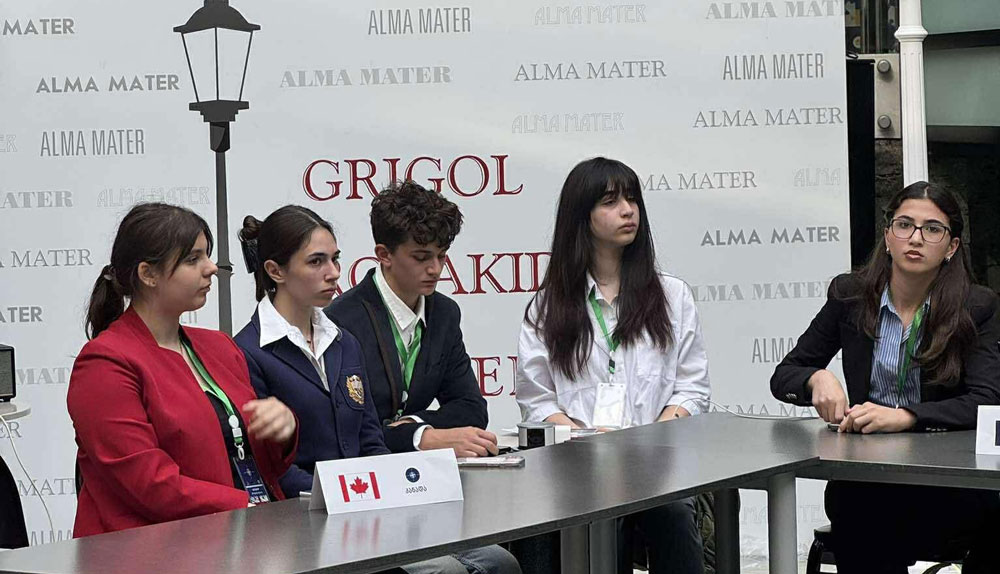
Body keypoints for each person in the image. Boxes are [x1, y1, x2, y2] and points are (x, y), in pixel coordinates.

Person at [771, 181, 1000, 573]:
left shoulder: (976, 306)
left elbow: (986, 400)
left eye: (932, 229)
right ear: (888, 236)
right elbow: (785, 375)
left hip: (951, 486)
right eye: (904, 225)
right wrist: (816, 379)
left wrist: (907, 416)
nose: (916, 238)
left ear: (951, 247)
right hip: (869, 481)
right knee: (859, 508)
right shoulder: (850, 295)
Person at [515, 157, 710, 574]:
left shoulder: (672, 296)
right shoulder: (547, 306)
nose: (627, 210)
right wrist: (589, 441)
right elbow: (536, 402)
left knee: (673, 512)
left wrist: (647, 440)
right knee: (596, 525)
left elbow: (692, 390)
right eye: (610, 202)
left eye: (632, 199)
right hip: (579, 471)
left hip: (657, 466)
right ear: (581, 217)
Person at [68, 203, 298, 537]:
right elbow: (147, 483)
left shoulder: (220, 347)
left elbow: (257, 464)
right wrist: (245, 507)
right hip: (152, 552)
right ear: (148, 274)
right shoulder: (104, 364)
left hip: (243, 539)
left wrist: (283, 431)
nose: (212, 268)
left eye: (207, 255)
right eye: (193, 259)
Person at [326, 182, 521, 574]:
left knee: (503, 564)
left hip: (425, 490)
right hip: (366, 495)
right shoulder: (340, 322)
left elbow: (471, 408)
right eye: (421, 257)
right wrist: (421, 438)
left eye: (441, 256)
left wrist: (414, 426)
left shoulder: (444, 313)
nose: (435, 269)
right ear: (384, 255)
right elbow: (346, 434)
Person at [234, 206, 389, 500]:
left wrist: (387, 491)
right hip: (298, 516)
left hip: (362, 507)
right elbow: (267, 467)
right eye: (316, 261)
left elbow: (370, 439)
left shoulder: (345, 342)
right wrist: (344, 496)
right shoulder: (246, 352)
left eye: (335, 259)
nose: (334, 273)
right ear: (275, 271)